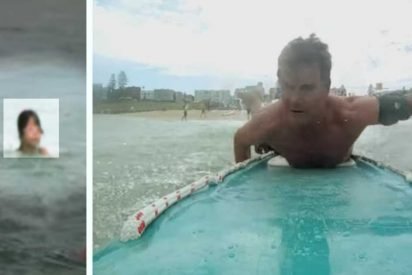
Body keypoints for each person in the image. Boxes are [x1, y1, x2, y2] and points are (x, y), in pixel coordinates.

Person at [234, 34, 412, 167]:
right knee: (261, 126)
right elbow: (240, 141)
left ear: (326, 86)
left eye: (307, 88)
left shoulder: (349, 114)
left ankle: (256, 102)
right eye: (287, 86)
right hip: (276, 133)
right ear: (279, 80)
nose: (295, 99)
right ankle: (254, 101)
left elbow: (403, 105)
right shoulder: (269, 122)